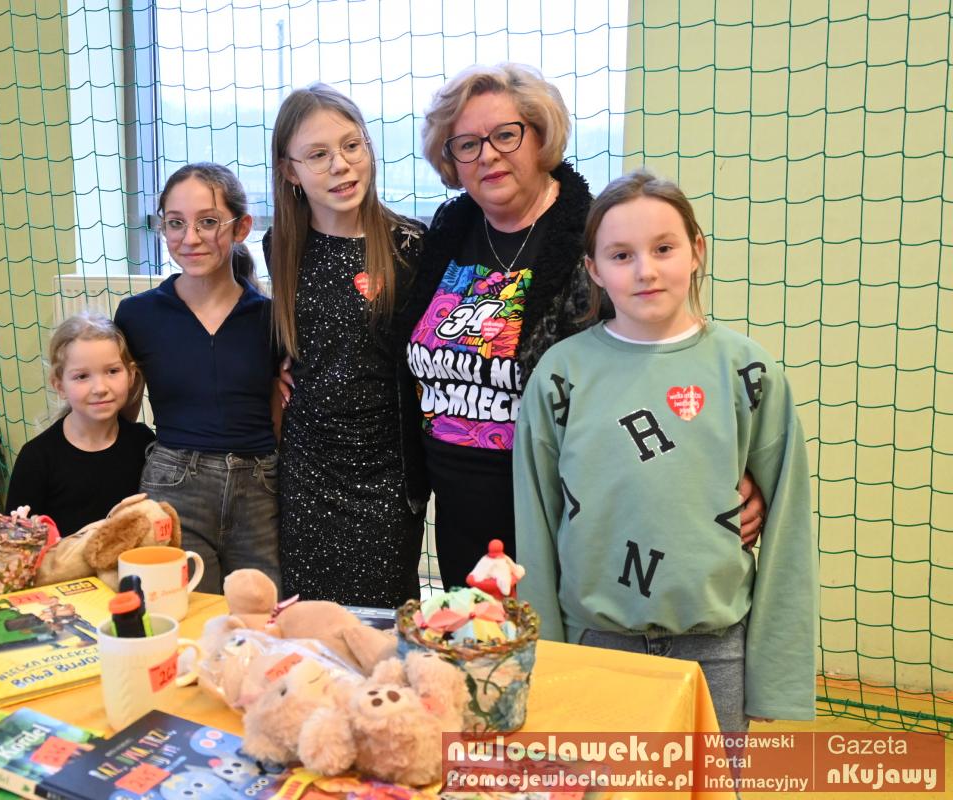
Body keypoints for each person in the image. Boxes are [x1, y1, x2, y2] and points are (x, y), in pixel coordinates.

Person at [397, 62, 766, 591]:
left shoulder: (594, 236)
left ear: (540, 136)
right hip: (459, 510)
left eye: (506, 135)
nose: (489, 155)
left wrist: (722, 466)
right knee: (477, 640)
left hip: (567, 511)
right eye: (467, 144)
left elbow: (662, 354)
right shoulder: (444, 234)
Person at [513, 169, 818, 733]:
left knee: (708, 780)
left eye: (663, 248)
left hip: (716, 649)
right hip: (594, 644)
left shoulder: (747, 371)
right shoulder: (562, 374)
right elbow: (535, 520)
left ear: (697, 250)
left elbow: (789, 526)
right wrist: (542, 658)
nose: (645, 271)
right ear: (594, 269)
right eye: (621, 255)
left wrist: (775, 674)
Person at [267, 84, 428, 607]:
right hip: (309, 471)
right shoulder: (280, 245)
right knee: (308, 626)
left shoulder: (410, 245)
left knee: (380, 630)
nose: (341, 165)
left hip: (387, 476)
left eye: (351, 145)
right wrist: (272, 374)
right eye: (318, 155)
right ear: (290, 171)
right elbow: (287, 337)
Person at [115, 163, 280, 594]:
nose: (190, 238)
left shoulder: (272, 318)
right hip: (173, 487)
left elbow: (279, 410)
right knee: (183, 609)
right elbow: (120, 413)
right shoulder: (137, 315)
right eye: (176, 223)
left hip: (260, 489)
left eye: (208, 222)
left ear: (241, 227)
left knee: (260, 613)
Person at [6, 311, 154, 537]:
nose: (100, 388)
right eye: (82, 376)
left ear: (131, 376)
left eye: (112, 371)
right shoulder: (37, 458)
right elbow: (16, 540)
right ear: (60, 386)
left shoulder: (143, 443)